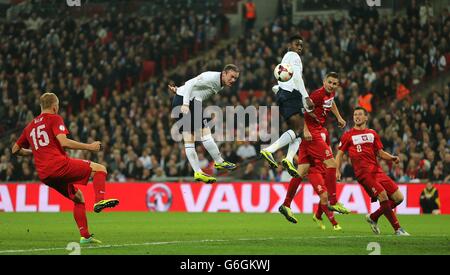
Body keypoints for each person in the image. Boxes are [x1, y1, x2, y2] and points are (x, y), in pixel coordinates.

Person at [11, 92, 119, 244]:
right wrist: (90, 147)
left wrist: (35, 152)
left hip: (45, 174)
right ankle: (99, 201)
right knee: (100, 169)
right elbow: (64, 142)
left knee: (78, 198)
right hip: (59, 165)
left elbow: (15, 150)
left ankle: (85, 236)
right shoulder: (54, 118)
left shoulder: (29, 127)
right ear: (55, 107)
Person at [279, 72, 349, 224]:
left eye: (335, 84)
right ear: (324, 81)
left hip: (312, 134)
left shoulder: (331, 94)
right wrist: (305, 129)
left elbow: (331, 103)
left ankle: (286, 204)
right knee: (331, 164)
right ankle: (333, 200)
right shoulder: (316, 95)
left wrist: (338, 117)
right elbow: (302, 110)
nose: (332, 85)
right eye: (329, 82)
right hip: (313, 132)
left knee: (301, 171)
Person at [335, 107, 410, 236]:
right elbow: (339, 154)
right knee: (383, 195)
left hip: (377, 171)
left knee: (399, 198)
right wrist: (337, 170)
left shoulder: (372, 133)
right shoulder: (348, 135)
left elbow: (380, 152)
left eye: (360, 114)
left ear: (366, 117)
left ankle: (373, 217)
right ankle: (398, 229)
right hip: (363, 173)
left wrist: (392, 158)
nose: (357, 117)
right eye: (355, 115)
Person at [169, 64, 240, 184]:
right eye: (231, 76)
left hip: (186, 100)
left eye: (235, 79)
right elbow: (190, 83)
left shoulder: (221, 84)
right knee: (205, 133)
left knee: (190, 138)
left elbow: (193, 87)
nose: (233, 80)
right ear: (224, 73)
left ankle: (198, 172)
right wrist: (185, 103)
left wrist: (178, 90)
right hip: (188, 103)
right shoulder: (211, 77)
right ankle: (218, 161)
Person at [260, 35, 314, 178]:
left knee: (297, 132)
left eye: (301, 46)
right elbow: (296, 78)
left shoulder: (286, 58)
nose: (300, 48)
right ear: (289, 45)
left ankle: (289, 159)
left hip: (285, 95)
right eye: (297, 44)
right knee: (298, 129)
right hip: (291, 95)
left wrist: (277, 89)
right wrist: (306, 96)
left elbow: (283, 78)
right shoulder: (293, 56)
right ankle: (269, 150)